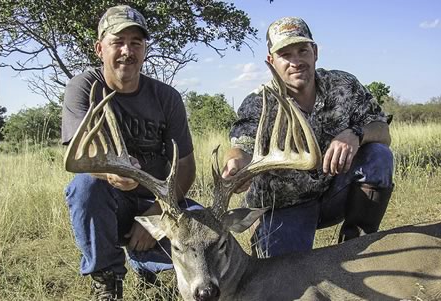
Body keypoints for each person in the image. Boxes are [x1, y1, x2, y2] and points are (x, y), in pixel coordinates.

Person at [222, 17, 393, 258]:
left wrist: (356, 134)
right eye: (285, 55)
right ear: (271, 61)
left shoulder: (343, 85)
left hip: (334, 195)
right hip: (284, 207)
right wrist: (236, 164)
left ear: (315, 52)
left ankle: (357, 246)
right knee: (281, 276)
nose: (296, 61)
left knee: (378, 155)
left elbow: (382, 130)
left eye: (302, 50)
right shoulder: (259, 102)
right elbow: (242, 146)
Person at [60, 5, 199, 300]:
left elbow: (186, 167)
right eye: (118, 42)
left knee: (205, 229)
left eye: (136, 43)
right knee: (85, 187)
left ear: (145, 50)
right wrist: (113, 171)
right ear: (100, 48)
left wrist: (157, 215)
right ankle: (107, 280)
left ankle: (147, 263)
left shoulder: (166, 97)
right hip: (113, 202)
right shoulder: (84, 87)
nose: (127, 51)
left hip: (159, 201)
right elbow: (80, 152)